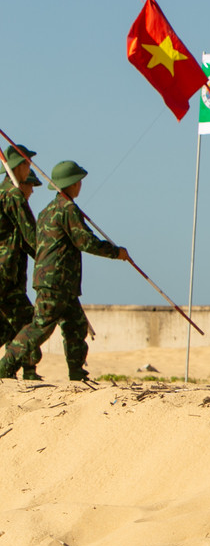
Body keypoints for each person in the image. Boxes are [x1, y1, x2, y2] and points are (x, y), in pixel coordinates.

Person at [0, 161, 130, 381]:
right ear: (72, 184)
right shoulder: (67, 209)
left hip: (61, 282)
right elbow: (85, 241)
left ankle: (77, 371)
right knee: (39, 327)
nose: (80, 186)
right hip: (56, 281)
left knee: (76, 325)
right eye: (78, 182)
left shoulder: (46, 211)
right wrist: (116, 253)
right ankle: (5, 366)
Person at [0, 146, 41, 379]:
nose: (30, 169)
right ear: (16, 166)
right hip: (5, 273)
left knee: (9, 326)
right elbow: (31, 236)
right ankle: (20, 371)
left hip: (9, 273)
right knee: (27, 322)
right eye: (27, 164)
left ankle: (17, 371)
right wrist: (49, 261)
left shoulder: (3, 192)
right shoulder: (13, 195)